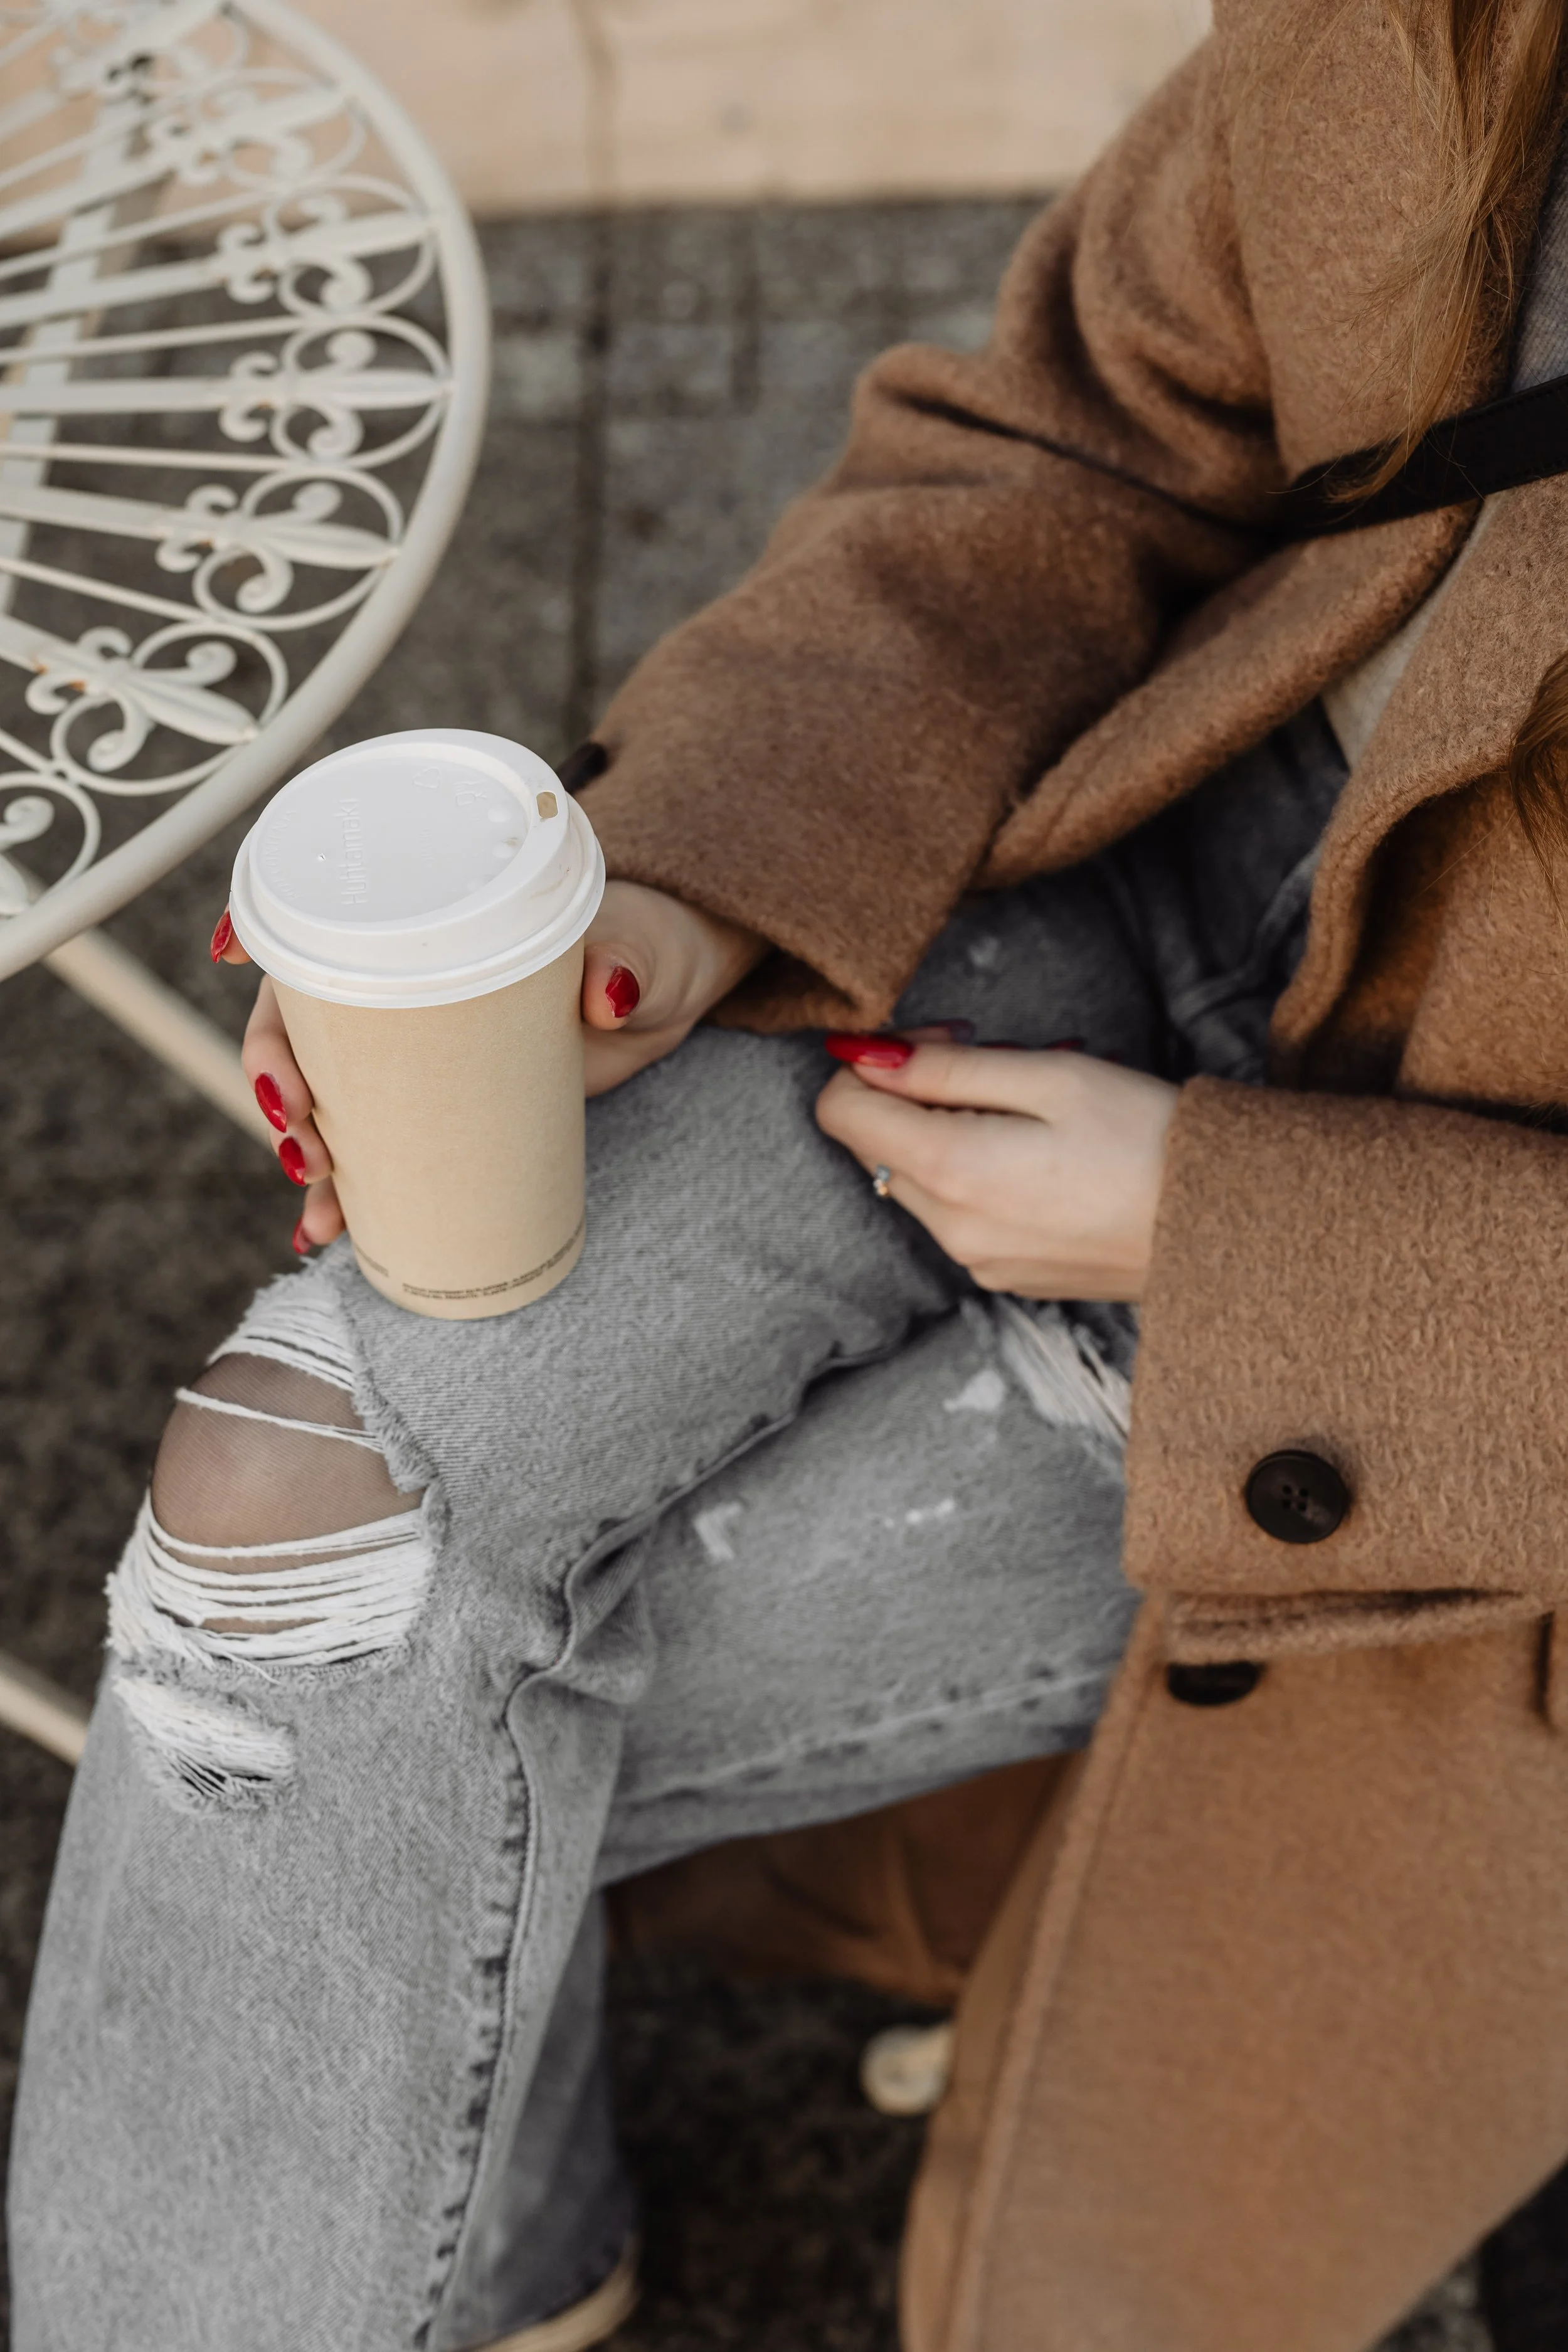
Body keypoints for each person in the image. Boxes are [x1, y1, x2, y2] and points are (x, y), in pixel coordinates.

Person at [14, 2, 1568, 2347]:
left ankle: (494, 2246)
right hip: (1110, 850)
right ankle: (501, 2252)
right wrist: (675, 872)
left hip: (1434, 1321)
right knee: (295, 1536)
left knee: (375, 1730)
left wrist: (1230, 1241)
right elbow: (1076, 432)